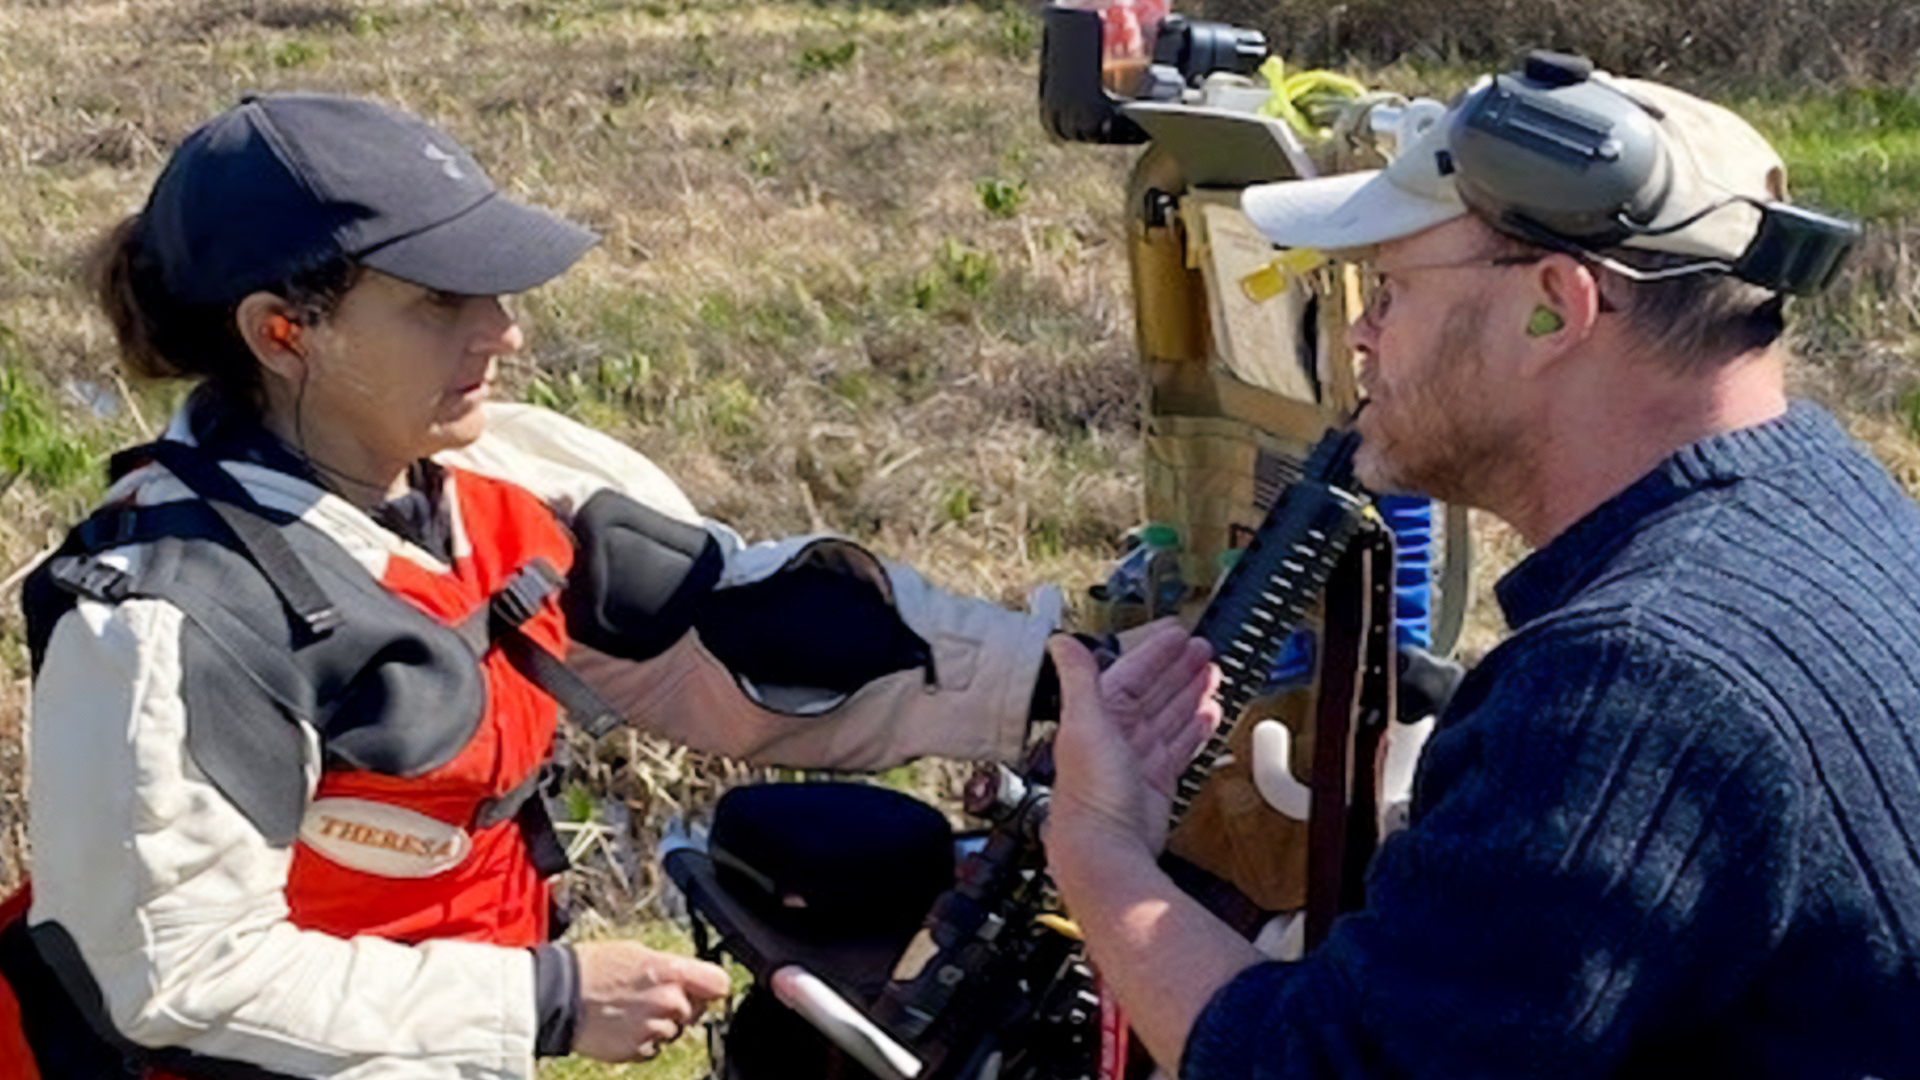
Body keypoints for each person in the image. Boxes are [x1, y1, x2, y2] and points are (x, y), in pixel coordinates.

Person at [2, 92, 1059, 1078]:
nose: (502, 330)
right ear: (285, 332)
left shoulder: (487, 480)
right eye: (440, 303)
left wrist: (1052, 688)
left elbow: (742, 634)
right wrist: (544, 998)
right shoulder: (166, 616)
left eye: (495, 291)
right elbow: (176, 975)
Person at [1044, 57, 1920, 1078]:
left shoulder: (1632, 684)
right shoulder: (1834, 501)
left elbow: (1314, 1069)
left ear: (1554, 304)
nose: (1364, 333)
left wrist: (1098, 845)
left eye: (1392, 286)